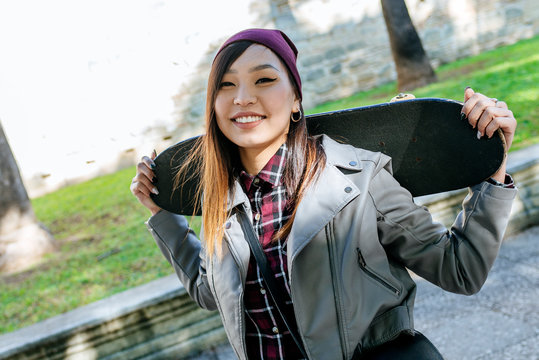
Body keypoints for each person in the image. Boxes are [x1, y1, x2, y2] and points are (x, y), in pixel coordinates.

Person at [130, 29, 517, 360]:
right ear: (213, 106)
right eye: (226, 85)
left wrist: (491, 171)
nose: (242, 97)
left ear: (296, 99)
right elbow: (211, 292)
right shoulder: (220, 202)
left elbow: (460, 269)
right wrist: (161, 213)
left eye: (263, 80)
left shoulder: (357, 179)